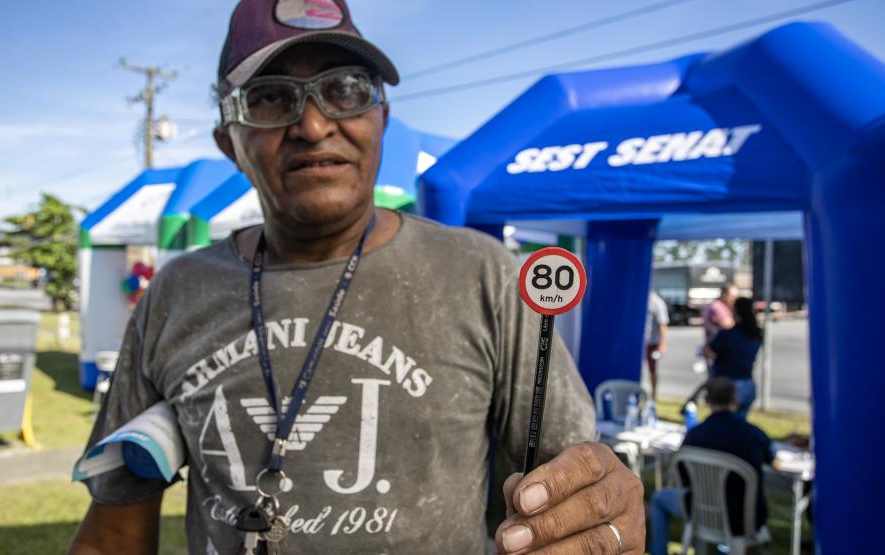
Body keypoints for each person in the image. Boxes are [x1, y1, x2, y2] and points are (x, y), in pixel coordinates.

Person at [69, 1, 645, 553]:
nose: (315, 125)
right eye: (271, 99)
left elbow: (573, 488)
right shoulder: (177, 291)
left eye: (346, 90)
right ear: (229, 141)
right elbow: (116, 529)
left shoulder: (482, 275)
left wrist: (604, 505)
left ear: (382, 118)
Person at [649, 377, 773, 555]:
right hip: (746, 517)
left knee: (660, 498)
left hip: (700, 512)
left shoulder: (695, 435)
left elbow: (683, 478)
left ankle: (658, 551)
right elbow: (772, 461)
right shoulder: (753, 434)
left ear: (707, 401)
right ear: (735, 401)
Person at [705, 297, 763, 417]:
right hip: (747, 383)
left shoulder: (727, 334)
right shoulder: (756, 334)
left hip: (727, 386)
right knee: (739, 426)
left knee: (724, 427)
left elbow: (709, 352)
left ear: (735, 312)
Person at [644, 291, 669, 400]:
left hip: (652, 342)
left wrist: (662, 345)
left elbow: (662, 325)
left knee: (652, 370)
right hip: (640, 342)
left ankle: (653, 394)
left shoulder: (656, 302)